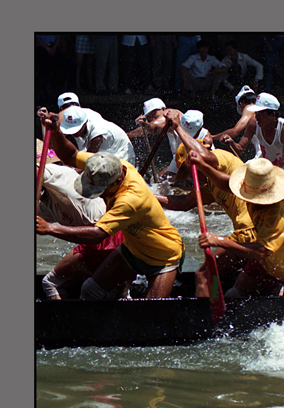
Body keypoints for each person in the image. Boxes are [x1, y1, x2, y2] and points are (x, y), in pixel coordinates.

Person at [37, 112, 185, 299]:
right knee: (89, 290)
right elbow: (71, 155)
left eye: (101, 190)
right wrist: (57, 131)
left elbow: (98, 235)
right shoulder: (106, 164)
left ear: (118, 181)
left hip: (164, 255)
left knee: (150, 312)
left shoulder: (129, 200)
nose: (98, 195)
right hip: (133, 249)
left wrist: (50, 228)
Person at [154, 109, 257, 295]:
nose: (190, 177)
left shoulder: (221, 157)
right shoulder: (210, 184)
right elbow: (185, 202)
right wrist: (152, 199)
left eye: (188, 170)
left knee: (203, 274)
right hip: (250, 233)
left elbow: (206, 157)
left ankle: (203, 313)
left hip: (250, 233)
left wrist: (178, 128)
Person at [197, 157, 284, 298]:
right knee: (235, 294)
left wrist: (219, 241)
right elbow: (226, 184)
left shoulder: (279, 214)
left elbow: (261, 251)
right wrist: (203, 166)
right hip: (268, 264)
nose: (251, 202)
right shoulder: (249, 189)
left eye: (257, 199)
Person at [36, 140, 125, 300]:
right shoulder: (47, 199)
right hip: (101, 239)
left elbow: (37, 171)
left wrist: (49, 228)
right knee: (110, 290)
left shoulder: (55, 172)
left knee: (51, 283)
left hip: (104, 235)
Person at [218, 92, 284, 183]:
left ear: (272, 115)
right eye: (256, 112)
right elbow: (240, 148)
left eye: (261, 113)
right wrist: (231, 142)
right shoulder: (253, 123)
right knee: (241, 176)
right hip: (267, 160)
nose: (256, 116)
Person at [127, 98, 214, 182]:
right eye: (149, 117)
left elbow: (153, 129)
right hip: (181, 157)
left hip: (197, 156)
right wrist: (128, 135)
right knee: (159, 180)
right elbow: (150, 129)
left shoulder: (171, 114)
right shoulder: (166, 124)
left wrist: (146, 125)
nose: (152, 119)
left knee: (170, 182)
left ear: (163, 109)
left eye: (154, 114)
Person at [57, 106, 136, 165]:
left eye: (76, 131)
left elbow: (87, 162)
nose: (73, 134)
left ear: (84, 124)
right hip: (106, 153)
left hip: (122, 157)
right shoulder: (80, 114)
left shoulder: (97, 136)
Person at [211, 85, 262, 159]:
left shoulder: (249, 108)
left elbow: (235, 131)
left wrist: (212, 137)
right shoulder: (261, 111)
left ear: (241, 104)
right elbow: (240, 148)